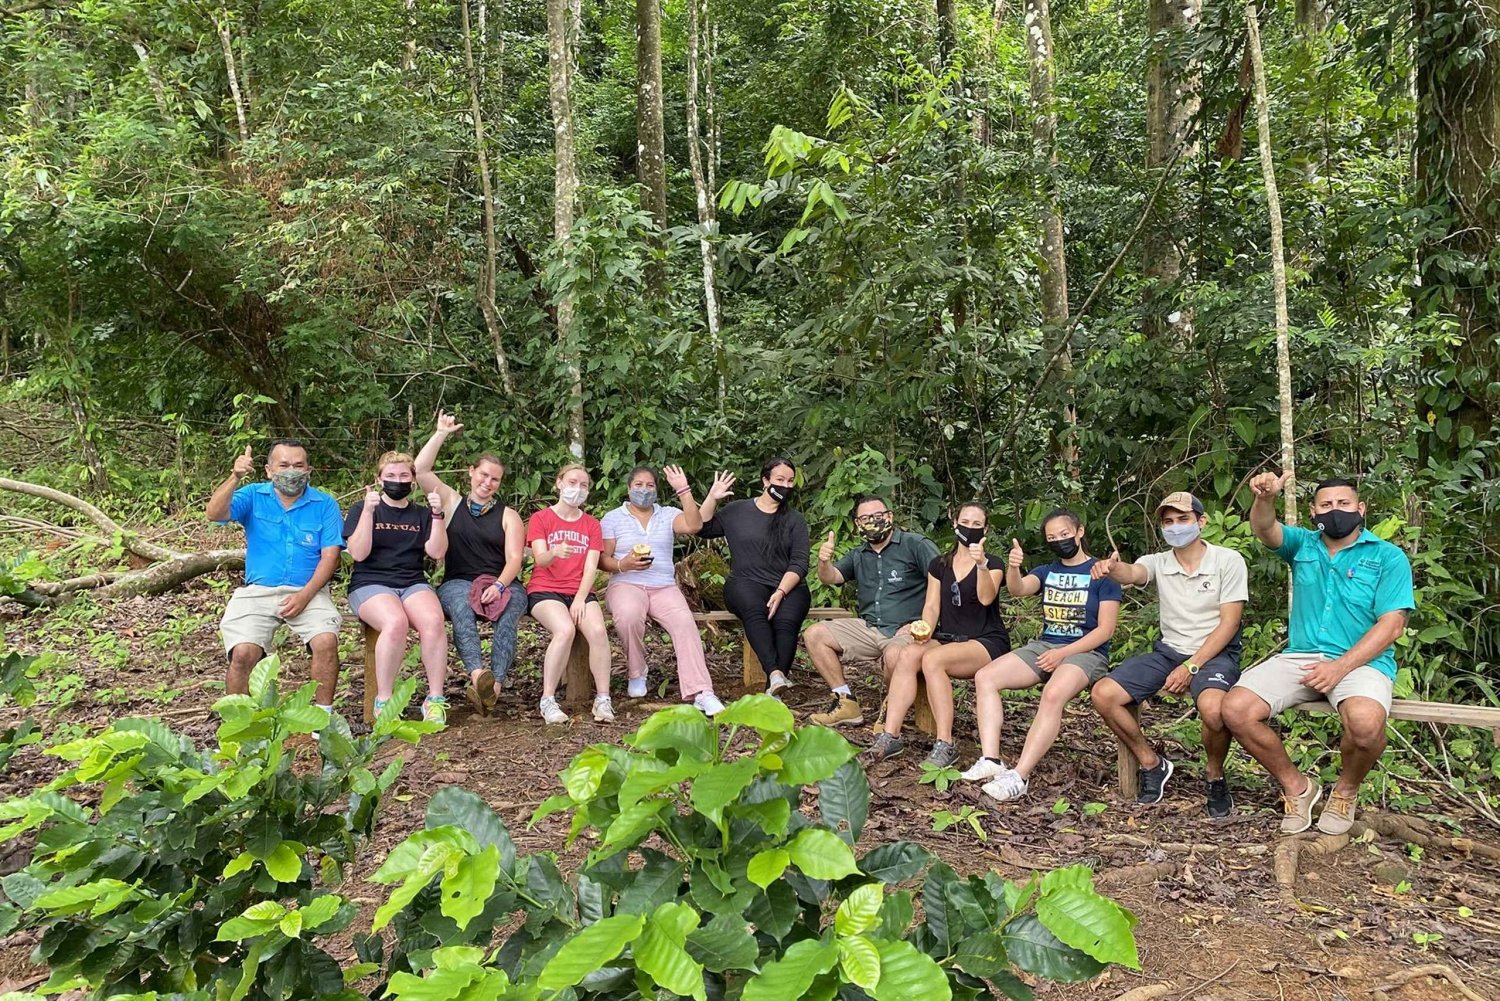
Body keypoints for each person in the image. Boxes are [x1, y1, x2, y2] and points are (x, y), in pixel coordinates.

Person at [1222, 474, 1414, 835]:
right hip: (1301, 656)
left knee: (1366, 726)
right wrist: (1265, 498)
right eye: (1326, 505)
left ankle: (1345, 791)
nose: (1335, 510)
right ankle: (1298, 788)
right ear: (1313, 512)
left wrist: (1339, 668)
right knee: (1235, 709)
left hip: (1360, 662)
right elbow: (1265, 528)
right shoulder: (1302, 545)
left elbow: (1392, 626)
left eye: (1343, 503)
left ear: (1361, 509)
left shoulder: (1388, 557)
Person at [1088, 492, 1249, 815]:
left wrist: (1191, 666)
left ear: (1201, 522)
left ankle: (1214, 775)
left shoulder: (1228, 561)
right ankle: (1152, 763)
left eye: (1183, 519)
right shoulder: (1158, 562)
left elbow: (1229, 623)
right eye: (1168, 522)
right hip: (1169, 652)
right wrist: (1111, 568)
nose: (1175, 527)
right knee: (1104, 694)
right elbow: (1133, 574)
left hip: (1215, 654)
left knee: (1214, 710)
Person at [968, 508, 1122, 802]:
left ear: (1079, 532)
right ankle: (990, 759)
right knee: (985, 676)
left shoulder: (1102, 574)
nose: (1059, 541)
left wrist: (1063, 653)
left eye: (1064, 534)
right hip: (1046, 645)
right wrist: (1014, 567)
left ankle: (1019, 775)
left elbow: (1105, 630)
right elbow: (1019, 589)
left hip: (1086, 651)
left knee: (1052, 693)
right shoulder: (1048, 570)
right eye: (1052, 537)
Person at [865, 502, 1009, 767]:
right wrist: (924, 630)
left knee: (933, 660)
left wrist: (981, 565)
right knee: (909, 653)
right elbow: (932, 605)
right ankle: (890, 734)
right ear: (955, 524)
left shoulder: (994, 563)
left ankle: (946, 742)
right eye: (965, 522)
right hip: (948, 637)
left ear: (986, 529)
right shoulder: (939, 564)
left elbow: (986, 598)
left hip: (985, 640)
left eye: (977, 524)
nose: (970, 528)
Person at [207, 440, 344, 712]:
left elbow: (331, 557)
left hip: (309, 590)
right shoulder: (253, 496)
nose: (291, 471)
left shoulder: (325, 504)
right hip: (258, 591)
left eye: (298, 465)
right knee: (243, 653)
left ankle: (322, 720)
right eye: (283, 465)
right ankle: (240, 723)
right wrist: (235, 477)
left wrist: (305, 595)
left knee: (326, 641)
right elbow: (214, 513)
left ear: (309, 470)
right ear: (269, 470)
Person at [413, 412, 527, 716]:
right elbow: (421, 469)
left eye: (495, 479)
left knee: (510, 610)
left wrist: (500, 585)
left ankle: (495, 686)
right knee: (462, 606)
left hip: (503, 581)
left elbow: (515, 558)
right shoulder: (451, 502)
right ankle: (478, 675)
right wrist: (440, 434)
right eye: (483, 475)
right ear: (471, 472)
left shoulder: (508, 515)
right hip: (458, 580)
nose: (488, 483)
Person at [600, 465, 730, 717]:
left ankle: (702, 691)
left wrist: (683, 489)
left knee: (685, 623)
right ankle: (637, 671)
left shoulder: (667, 514)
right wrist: (622, 564)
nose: (644, 490)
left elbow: (694, 525)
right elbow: (601, 559)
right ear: (628, 488)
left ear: (658, 490)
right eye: (638, 485)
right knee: (627, 615)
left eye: (650, 486)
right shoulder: (613, 518)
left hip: (663, 586)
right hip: (626, 583)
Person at [806, 495, 940, 728]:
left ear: (889, 517)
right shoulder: (859, 554)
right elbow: (831, 578)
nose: (872, 522)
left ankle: (891, 710)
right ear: (858, 524)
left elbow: (943, 581)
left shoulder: (915, 545)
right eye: (865, 518)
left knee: (894, 655)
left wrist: (924, 623)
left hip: (907, 629)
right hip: (870, 627)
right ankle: (845, 701)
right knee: (814, 634)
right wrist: (823, 562)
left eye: (877, 516)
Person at [344, 451, 451, 725]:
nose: (397, 480)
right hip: (370, 582)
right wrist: (368, 512)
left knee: (434, 622)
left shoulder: (422, 513)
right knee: (395, 622)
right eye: (390, 475)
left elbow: (437, 552)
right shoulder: (362, 508)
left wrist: (438, 515)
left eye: (404, 475)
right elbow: (357, 553)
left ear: (413, 481)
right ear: (379, 479)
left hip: (412, 581)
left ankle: (435, 699)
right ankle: (385, 700)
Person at [697, 457, 811, 696]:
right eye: (780, 480)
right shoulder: (737, 510)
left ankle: (774, 688)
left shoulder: (795, 520)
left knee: (786, 622)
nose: (786, 486)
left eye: (790, 481)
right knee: (754, 610)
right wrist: (712, 498)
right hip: (745, 582)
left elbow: (799, 562)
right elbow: (702, 528)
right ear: (765, 481)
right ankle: (775, 673)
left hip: (788, 586)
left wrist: (781, 592)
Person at [527, 463, 614, 725]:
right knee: (565, 629)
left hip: (580, 591)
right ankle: (548, 700)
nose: (577, 489)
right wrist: (554, 552)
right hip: (545, 589)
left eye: (584, 485)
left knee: (598, 631)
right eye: (572, 482)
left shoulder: (591, 524)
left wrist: (579, 598)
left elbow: (591, 566)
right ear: (559, 483)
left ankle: (603, 699)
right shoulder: (541, 518)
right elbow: (540, 559)